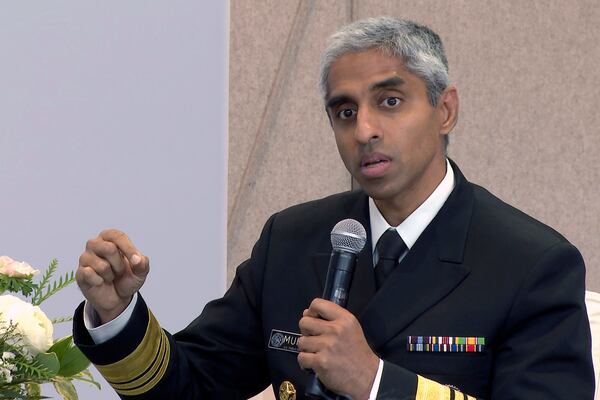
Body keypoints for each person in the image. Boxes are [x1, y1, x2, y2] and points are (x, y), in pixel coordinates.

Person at [73, 17, 594, 399]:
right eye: (344, 111)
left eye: (389, 101)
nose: (364, 130)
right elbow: (193, 387)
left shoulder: (530, 263)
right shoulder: (294, 239)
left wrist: (375, 383)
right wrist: (118, 315)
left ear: (445, 110)